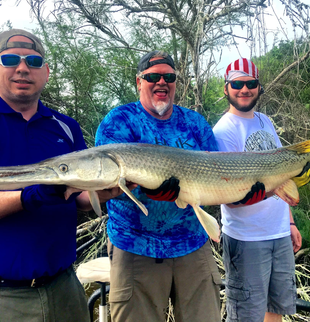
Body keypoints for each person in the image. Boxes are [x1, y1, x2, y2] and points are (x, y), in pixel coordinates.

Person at [0, 28, 123, 322]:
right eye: (10, 60)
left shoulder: (65, 127)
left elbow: (80, 196)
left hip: (65, 288)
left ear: (46, 72)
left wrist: (107, 191)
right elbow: (44, 193)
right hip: (7, 298)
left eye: (33, 61)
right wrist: (31, 196)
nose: (22, 68)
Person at [95, 50, 222, 322]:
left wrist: (253, 190)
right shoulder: (119, 121)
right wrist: (144, 189)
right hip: (136, 247)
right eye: (152, 76)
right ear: (139, 82)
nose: (161, 82)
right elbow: (105, 182)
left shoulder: (195, 123)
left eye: (169, 76)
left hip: (193, 245)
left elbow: (216, 176)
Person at [213, 58, 302, 322]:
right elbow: (228, 197)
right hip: (246, 238)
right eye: (237, 84)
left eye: (250, 83)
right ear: (226, 88)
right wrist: (270, 191)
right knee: (246, 316)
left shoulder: (265, 121)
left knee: (276, 308)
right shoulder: (223, 131)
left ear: (259, 87)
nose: (244, 89)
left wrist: (291, 222)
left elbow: (282, 175)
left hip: (279, 232)